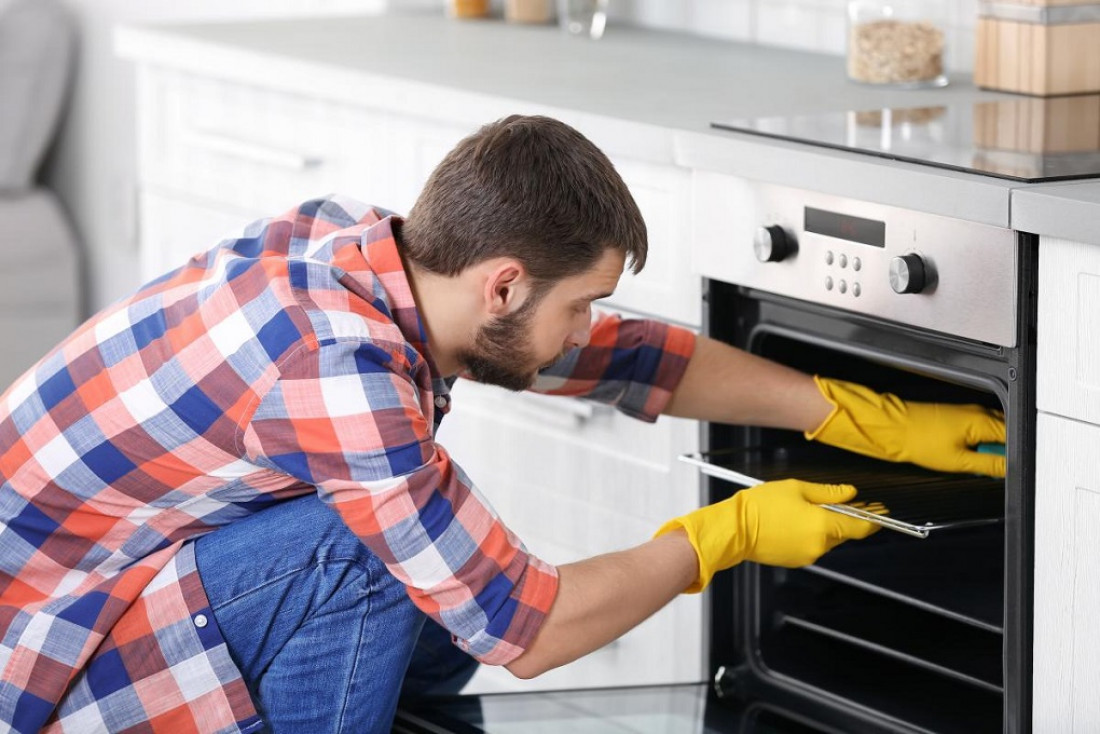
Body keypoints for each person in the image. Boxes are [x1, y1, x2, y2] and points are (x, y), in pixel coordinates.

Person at [0, 115, 1005, 733]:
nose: (588, 325)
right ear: (504, 282)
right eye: (580, 301)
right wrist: (721, 537)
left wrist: (852, 412)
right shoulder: (342, 371)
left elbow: (623, 356)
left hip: (110, 573)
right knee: (368, 559)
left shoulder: (373, 256)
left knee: (422, 583)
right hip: (44, 655)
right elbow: (523, 628)